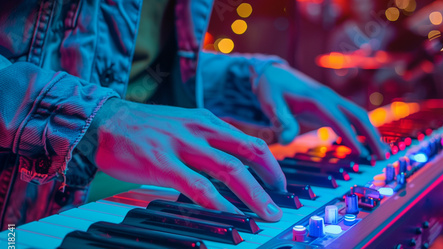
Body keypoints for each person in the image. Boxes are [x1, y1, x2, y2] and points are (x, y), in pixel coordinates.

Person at [0, 0, 387, 229]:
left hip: (121, 193)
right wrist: (94, 119)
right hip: (18, 225)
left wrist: (249, 77)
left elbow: (141, 72)